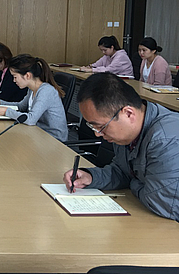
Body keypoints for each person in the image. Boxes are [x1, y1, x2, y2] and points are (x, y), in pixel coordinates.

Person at [62, 73, 179, 222]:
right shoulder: (127, 134)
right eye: (93, 127)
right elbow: (123, 171)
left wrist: (133, 182)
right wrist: (91, 177)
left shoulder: (165, 140)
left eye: (100, 127)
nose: (97, 134)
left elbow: (164, 205)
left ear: (128, 113)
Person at [0, 54, 68, 141]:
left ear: (28, 75)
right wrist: (0, 103)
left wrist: (6, 111)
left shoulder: (46, 91)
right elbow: (21, 106)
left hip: (53, 138)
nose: (14, 80)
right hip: (38, 132)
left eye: (15, 77)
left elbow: (31, 119)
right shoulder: (32, 89)